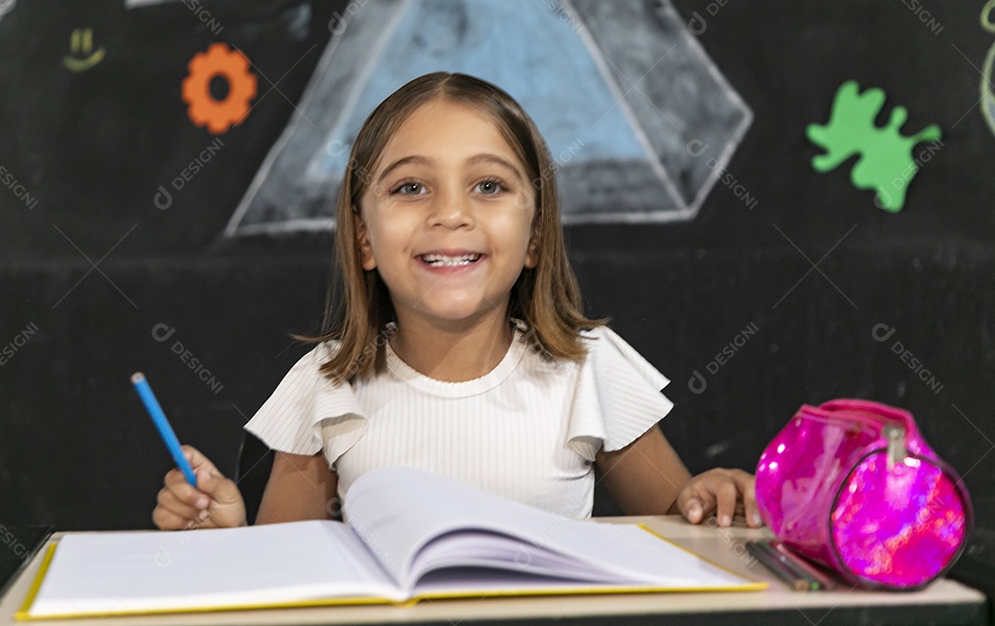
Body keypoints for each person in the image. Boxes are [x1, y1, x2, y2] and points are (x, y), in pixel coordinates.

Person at [152, 72, 758, 532]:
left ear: (536, 235)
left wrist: (715, 496)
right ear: (365, 237)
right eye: (410, 187)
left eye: (488, 186)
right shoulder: (325, 383)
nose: (450, 214)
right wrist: (225, 542)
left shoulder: (587, 367)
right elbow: (285, 579)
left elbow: (686, 531)